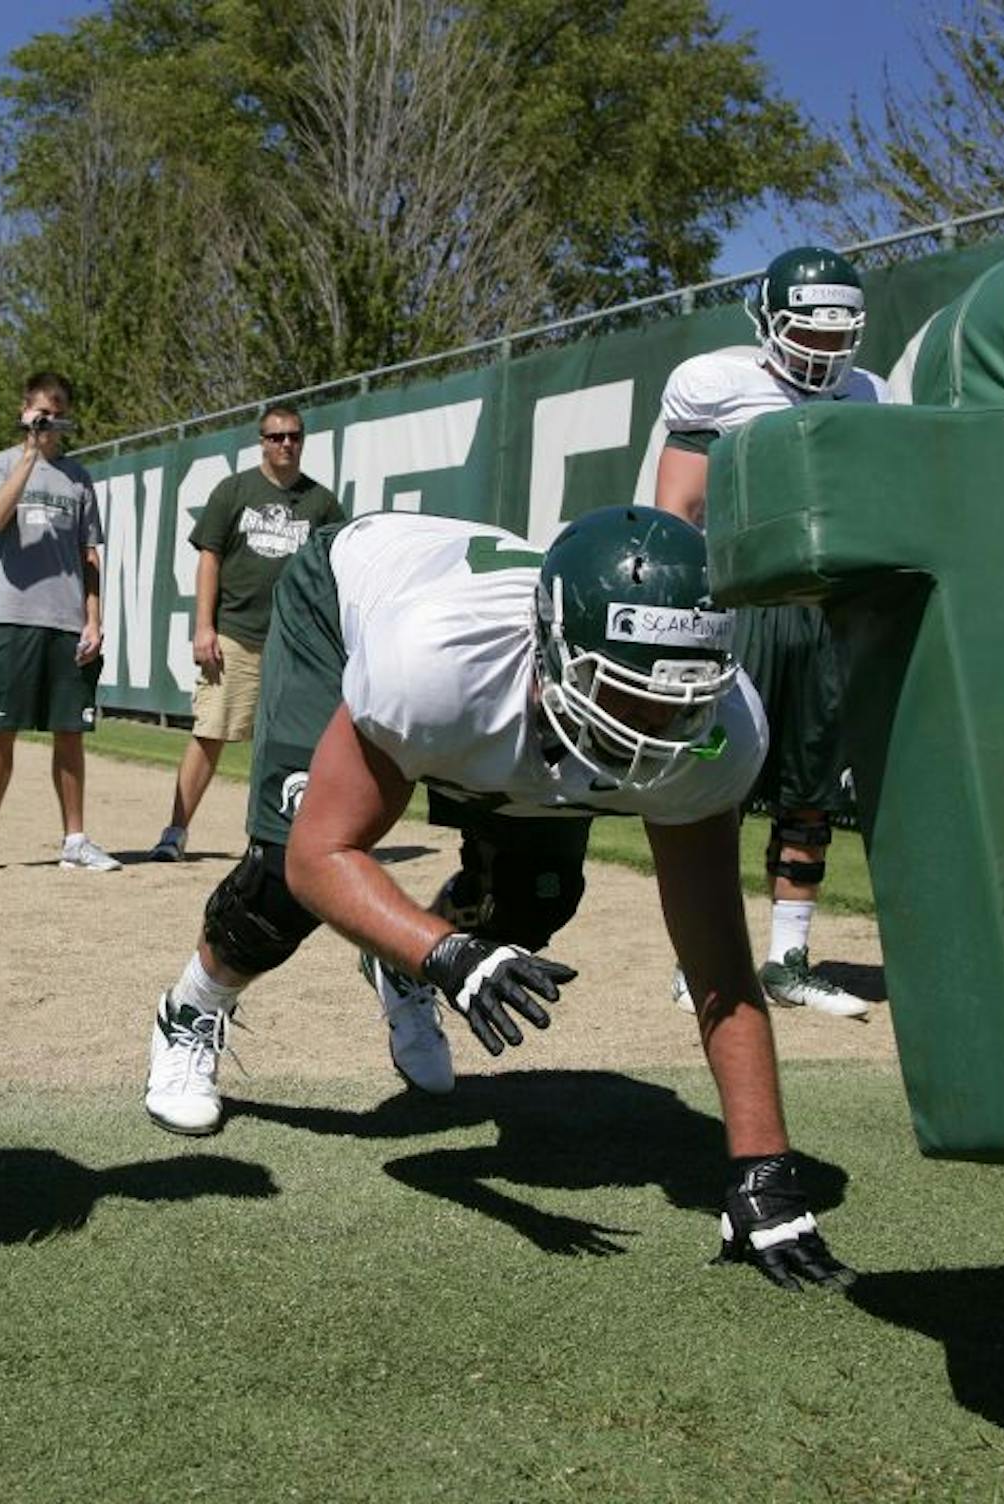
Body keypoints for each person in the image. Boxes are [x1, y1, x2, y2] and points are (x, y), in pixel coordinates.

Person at [142, 506, 856, 1292]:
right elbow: (322, 858)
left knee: (533, 902)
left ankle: (401, 963)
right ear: (552, 652)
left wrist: (764, 1167)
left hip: (516, 695)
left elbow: (719, 959)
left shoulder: (723, 728)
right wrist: (448, 954)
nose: (655, 731)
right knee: (283, 882)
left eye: (681, 699)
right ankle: (193, 1006)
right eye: (626, 697)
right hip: (349, 600)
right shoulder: (434, 664)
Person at [653, 245, 888, 1020]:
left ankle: (789, 960)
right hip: (743, 602)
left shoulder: (871, 396)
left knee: (810, 796)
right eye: (808, 331)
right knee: (714, 785)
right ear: (767, 321)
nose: (822, 350)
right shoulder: (717, 385)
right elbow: (677, 513)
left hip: (825, 610)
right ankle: (703, 955)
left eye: (836, 335)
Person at [150, 404, 341, 862]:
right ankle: (175, 833)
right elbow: (209, 559)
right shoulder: (234, 490)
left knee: (290, 745)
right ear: (262, 442)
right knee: (210, 732)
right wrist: (204, 627)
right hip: (234, 634)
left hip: (292, 644)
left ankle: (281, 839)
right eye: (276, 436)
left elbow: (336, 566)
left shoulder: (321, 502)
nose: (286, 444)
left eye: (294, 435)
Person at [0, 371, 119, 873]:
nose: (49, 420)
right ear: (25, 411)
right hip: (13, 615)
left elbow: (89, 555)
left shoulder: (79, 478)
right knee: (2, 728)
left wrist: (93, 619)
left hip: (67, 621)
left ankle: (75, 841)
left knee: (70, 731)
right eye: (42, 411)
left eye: (57, 412)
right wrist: (28, 453)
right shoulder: (0, 465)